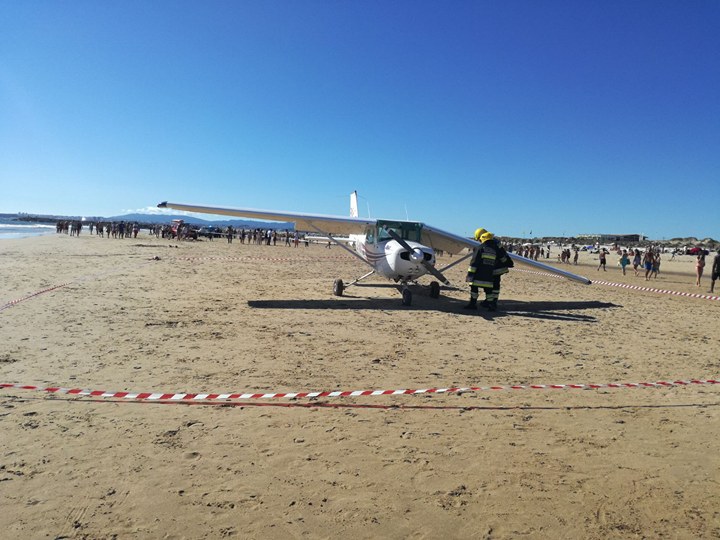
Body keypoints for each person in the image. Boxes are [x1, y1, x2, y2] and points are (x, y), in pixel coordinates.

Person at [464, 228, 514, 312]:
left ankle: (489, 302)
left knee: (492, 286)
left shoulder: (488, 246)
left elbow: (501, 255)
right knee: (491, 287)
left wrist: (470, 274)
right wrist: (508, 262)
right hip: (492, 267)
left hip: (495, 268)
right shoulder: (494, 243)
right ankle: (491, 303)